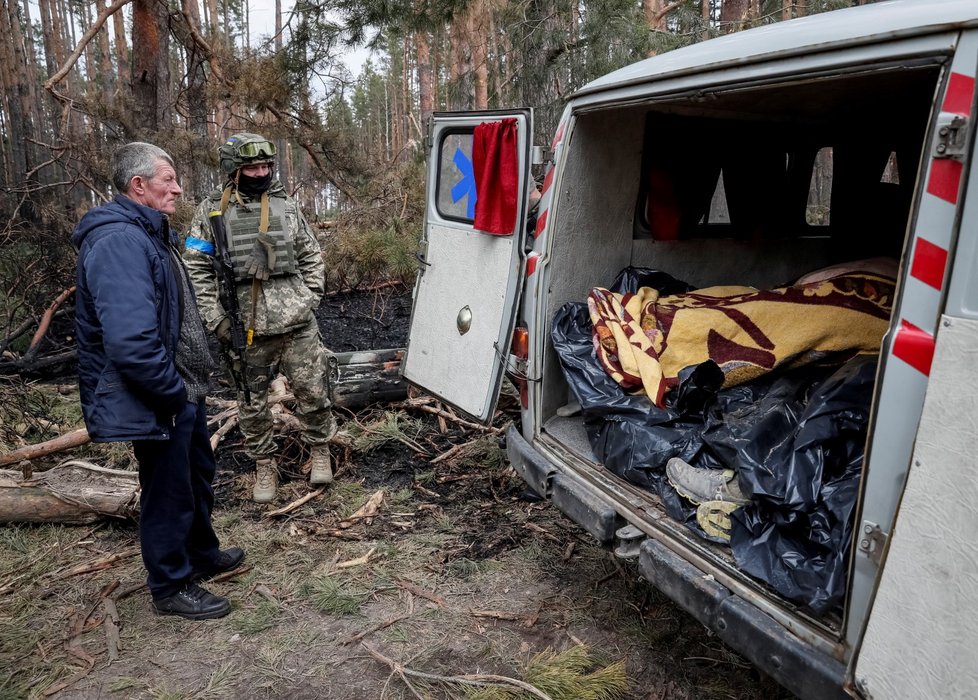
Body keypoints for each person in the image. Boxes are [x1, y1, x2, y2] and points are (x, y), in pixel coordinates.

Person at [73, 142, 244, 620]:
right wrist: (171, 393)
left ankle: (200, 554)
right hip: (158, 393)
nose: (177, 187)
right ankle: (171, 586)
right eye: (168, 179)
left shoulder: (148, 233)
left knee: (195, 475)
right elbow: (130, 340)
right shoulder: (118, 242)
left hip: (181, 389)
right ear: (138, 186)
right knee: (167, 487)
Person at [183, 133, 335, 503]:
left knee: (313, 392)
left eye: (266, 165)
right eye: (252, 166)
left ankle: (320, 450)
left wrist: (309, 298)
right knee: (252, 403)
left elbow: (311, 255)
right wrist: (216, 319)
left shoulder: (287, 207)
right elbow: (196, 269)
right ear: (235, 170)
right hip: (244, 329)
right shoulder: (210, 213)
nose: (261, 172)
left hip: (296, 323)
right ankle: (264, 464)